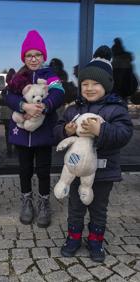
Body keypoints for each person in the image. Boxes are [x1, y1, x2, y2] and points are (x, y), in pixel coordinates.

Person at [53, 45, 133, 262]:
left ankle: (96, 240)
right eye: (85, 83)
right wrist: (65, 130)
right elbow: (56, 131)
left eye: (96, 83)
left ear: (107, 85)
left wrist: (101, 130)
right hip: (77, 171)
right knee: (76, 207)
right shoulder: (73, 109)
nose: (89, 88)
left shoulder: (117, 109)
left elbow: (124, 134)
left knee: (98, 208)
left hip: (104, 172)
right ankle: (74, 237)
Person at [4, 30, 65, 228]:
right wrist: (24, 106)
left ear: (43, 56)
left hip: (43, 132)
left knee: (43, 170)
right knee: (24, 169)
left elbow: (58, 93)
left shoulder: (50, 74)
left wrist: (44, 106)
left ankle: (44, 202)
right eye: (29, 55)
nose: (33, 59)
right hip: (22, 133)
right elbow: (8, 96)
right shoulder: (19, 76)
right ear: (24, 57)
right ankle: (27, 201)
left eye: (37, 55)